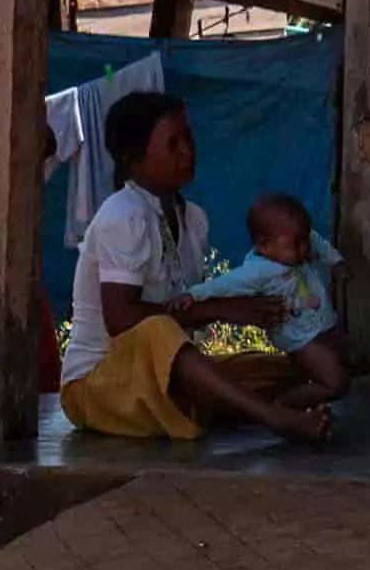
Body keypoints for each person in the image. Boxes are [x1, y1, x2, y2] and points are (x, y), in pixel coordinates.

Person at [58, 89, 332, 447]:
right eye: (173, 144)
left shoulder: (193, 219)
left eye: (188, 137)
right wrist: (218, 309)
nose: (188, 150)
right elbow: (121, 319)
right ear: (134, 160)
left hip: (161, 379)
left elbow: (183, 305)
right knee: (157, 329)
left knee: (298, 368)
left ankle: (238, 404)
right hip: (98, 388)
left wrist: (256, 309)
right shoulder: (122, 215)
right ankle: (275, 418)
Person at [185, 189, 353, 403]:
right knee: (335, 383)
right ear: (263, 245)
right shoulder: (259, 271)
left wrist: (335, 262)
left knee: (344, 362)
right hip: (302, 343)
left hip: (323, 328)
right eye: (294, 245)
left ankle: (307, 404)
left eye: (304, 241)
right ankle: (284, 406)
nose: (304, 249)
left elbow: (317, 241)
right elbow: (223, 285)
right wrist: (192, 295)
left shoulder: (299, 243)